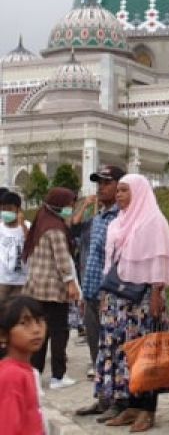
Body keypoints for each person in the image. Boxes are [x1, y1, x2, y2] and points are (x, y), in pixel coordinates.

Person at [95, 174, 169, 432]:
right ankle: (131, 405)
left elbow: (159, 260)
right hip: (118, 300)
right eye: (117, 190)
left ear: (139, 192)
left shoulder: (153, 221)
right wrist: (104, 296)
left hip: (143, 300)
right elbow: (111, 264)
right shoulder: (118, 222)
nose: (118, 195)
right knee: (124, 353)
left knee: (145, 353)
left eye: (124, 190)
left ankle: (147, 411)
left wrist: (155, 294)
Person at [74, 165, 125, 417]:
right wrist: (85, 294)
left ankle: (117, 401)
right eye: (99, 182)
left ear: (119, 186)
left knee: (113, 351)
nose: (101, 187)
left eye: (106, 182)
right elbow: (91, 258)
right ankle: (103, 398)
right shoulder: (99, 217)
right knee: (97, 351)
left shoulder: (122, 217)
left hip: (111, 296)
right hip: (92, 294)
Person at [20, 186, 80, 390]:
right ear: (59, 205)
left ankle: (35, 376)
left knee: (39, 333)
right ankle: (58, 376)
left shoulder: (41, 223)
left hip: (36, 287)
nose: (72, 208)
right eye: (70, 204)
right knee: (59, 332)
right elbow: (62, 259)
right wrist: (71, 283)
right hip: (53, 288)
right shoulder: (55, 227)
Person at [0, 295, 48, 434]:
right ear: (3, 335)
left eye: (39, 321)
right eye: (24, 323)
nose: (36, 329)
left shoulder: (26, 371)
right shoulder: (12, 376)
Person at [0, 190, 29, 301]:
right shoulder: (1, 227)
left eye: (9, 209)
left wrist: (23, 227)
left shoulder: (27, 226)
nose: (5, 212)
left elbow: (31, 245)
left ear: (18, 209)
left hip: (22, 280)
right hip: (2, 280)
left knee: (16, 313)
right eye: (3, 209)